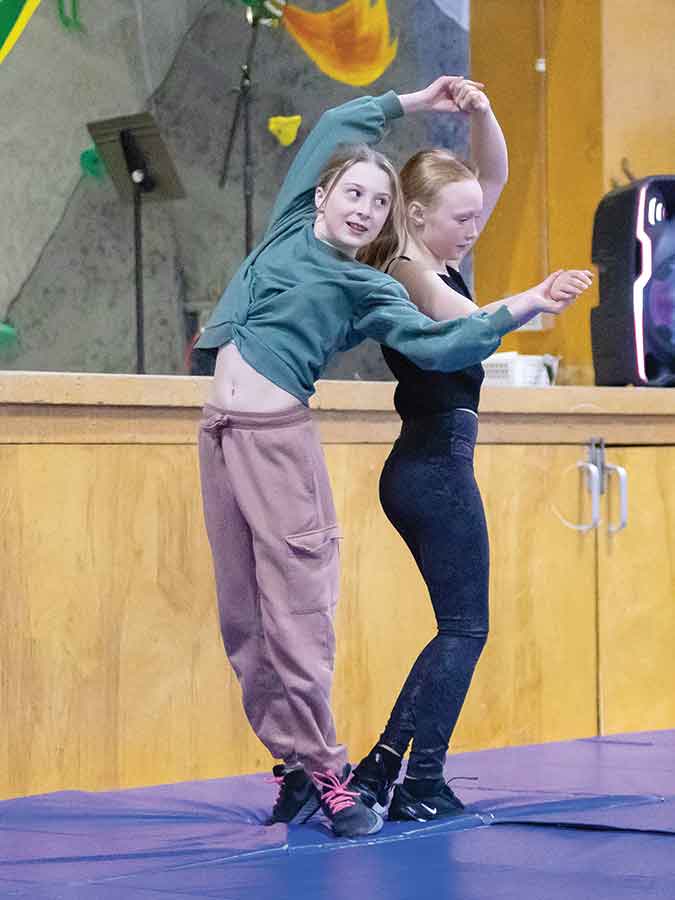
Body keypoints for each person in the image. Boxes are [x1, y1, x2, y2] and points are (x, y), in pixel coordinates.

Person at [194, 74, 523, 838]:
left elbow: (448, 325)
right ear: (321, 197)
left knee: (310, 615)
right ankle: (324, 770)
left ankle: (349, 771)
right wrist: (418, 100)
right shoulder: (341, 245)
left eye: (375, 201)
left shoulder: (366, 276)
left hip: (302, 441)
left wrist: (524, 303)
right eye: (354, 195)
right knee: (249, 619)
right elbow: (340, 123)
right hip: (253, 439)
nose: (362, 209)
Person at [351, 80, 593, 822]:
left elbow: (490, 176)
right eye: (461, 219)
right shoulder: (407, 272)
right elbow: (469, 322)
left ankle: (381, 767)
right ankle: (419, 780)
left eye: (477, 219)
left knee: (458, 626)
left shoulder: (440, 255)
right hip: (428, 465)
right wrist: (532, 299)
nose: (475, 227)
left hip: (435, 463)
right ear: (417, 216)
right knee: (465, 628)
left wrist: (484, 113)